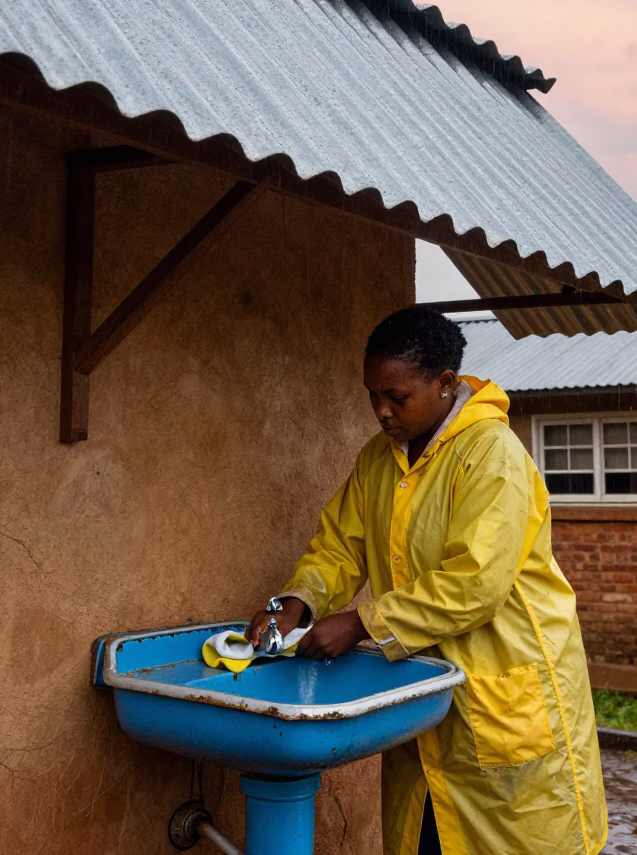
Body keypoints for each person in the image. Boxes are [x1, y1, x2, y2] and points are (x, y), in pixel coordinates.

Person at [249, 307, 607, 855]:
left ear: (445, 384)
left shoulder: (492, 454)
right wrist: (298, 601)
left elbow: (476, 583)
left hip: (503, 687)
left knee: (518, 838)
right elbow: (340, 547)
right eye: (372, 396)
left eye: (397, 396)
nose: (381, 412)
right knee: (429, 834)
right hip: (427, 688)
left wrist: (364, 623)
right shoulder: (378, 460)